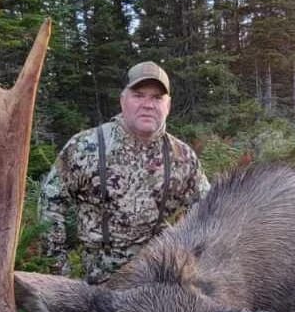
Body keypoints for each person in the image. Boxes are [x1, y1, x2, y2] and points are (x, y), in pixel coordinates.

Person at [39, 62, 210, 282]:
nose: (148, 104)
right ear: (123, 100)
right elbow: (51, 203)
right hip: (95, 287)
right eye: (139, 95)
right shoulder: (85, 147)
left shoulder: (183, 157)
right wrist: (59, 273)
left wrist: (197, 268)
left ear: (168, 106)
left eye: (157, 98)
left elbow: (210, 213)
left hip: (158, 284)